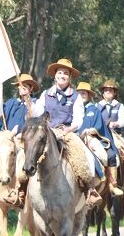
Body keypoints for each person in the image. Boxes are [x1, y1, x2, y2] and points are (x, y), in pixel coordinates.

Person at [31, 58, 101, 206]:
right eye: (60, 72)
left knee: (82, 154)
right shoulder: (45, 94)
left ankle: (89, 189)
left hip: (67, 133)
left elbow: (79, 119)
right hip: (47, 132)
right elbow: (37, 112)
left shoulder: (75, 97)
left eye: (66, 73)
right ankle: (21, 190)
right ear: (55, 75)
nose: (62, 75)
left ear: (69, 77)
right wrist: (27, 100)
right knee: (26, 151)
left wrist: (69, 129)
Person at [77, 82, 123, 197]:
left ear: (88, 95)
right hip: (73, 138)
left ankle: (112, 185)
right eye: (79, 93)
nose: (81, 95)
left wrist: (89, 131)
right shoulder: (72, 108)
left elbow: (99, 126)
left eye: (84, 93)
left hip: (91, 137)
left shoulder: (94, 109)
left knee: (111, 155)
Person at [98, 79, 124, 190]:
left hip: (116, 134)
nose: (108, 92)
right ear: (103, 92)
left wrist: (115, 123)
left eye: (110, 90)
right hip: (101, 135)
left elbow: (123, 121)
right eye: (106, 90)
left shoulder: (119, 106)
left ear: (114, 93)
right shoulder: (97, 106)